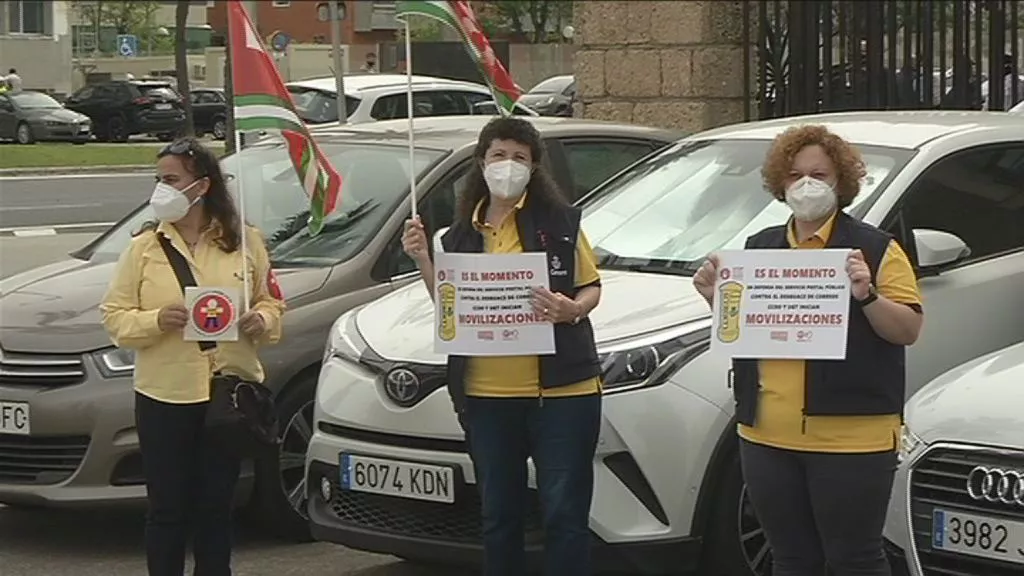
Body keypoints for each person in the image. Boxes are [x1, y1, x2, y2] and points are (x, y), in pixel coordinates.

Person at [693, 125, 924, 576]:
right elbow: (742, 327)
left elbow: (909, 329)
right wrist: (714, 297)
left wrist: (867, 295)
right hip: (766, 438)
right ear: (780, 183)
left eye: (819, 173)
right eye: (796, 174)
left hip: (851, 438)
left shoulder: (876, 249)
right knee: (791, 560)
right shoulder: (759, 249)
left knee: (853, 559)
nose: (806, 184)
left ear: (842, 181)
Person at [401, 117, 603, 576]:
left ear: (534, 168)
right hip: (488, 397)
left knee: (564, 514)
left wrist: (570, 309)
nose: (508, 165)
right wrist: (422, 260)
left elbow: (591, 288)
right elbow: (452, 308)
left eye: (519, 157)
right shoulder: (458, 236)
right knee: (498, 517)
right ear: (481, 162)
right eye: (499, 155)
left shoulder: (560, 223)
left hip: (562, 395)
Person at [100, 137, 285, 576]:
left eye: (171, 179)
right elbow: (114, 317)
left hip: (226, 395)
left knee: (215, 509)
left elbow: (272, 302)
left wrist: (261, 319)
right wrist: (156, 320)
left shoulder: (244, 243)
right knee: (167, 510)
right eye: (157, 179)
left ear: (200, 187)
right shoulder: (144, 248)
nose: (160, 189)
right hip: (165, 396)